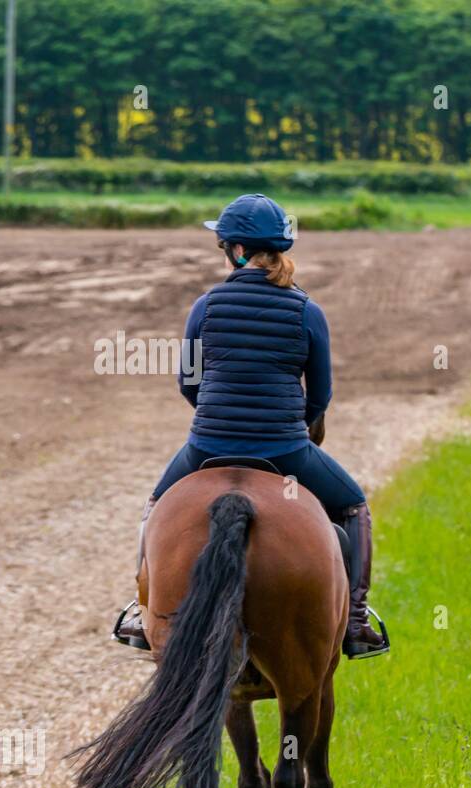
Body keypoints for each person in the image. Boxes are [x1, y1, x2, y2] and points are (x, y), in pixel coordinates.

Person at [113, 193, 388, 658]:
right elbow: (320, 395)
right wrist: (288, 424)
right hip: (285, 449)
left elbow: (188, 382)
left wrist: (218, 414)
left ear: (236, 251)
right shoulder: (307, 311)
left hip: (207, 445)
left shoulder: (206, 305)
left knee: (158, 504)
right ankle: (357, 622)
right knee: (355, 506)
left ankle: (143, 611)